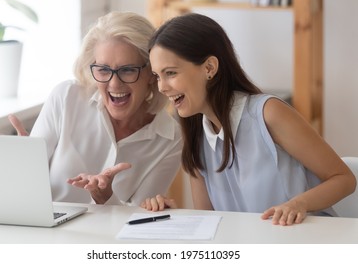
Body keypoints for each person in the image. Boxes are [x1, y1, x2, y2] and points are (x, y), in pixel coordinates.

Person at [141, 13, 356, 225]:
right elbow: (209, 220)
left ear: (209, 68)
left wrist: (299, 203)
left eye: (170, 73)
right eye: (158, 76)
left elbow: (344, 179)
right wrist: (172, 217)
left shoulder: (267, 114)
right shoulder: (196, 137)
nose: (162, 87)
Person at [9, 11, 182, 206]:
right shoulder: (66, 97)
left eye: (127, 70)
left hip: (107, 237)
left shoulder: (170, 138)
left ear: (152, 73)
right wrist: (18, 163)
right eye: (103, 70)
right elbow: (25, 190)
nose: (114, 84)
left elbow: (139, 219)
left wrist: (106, 198)